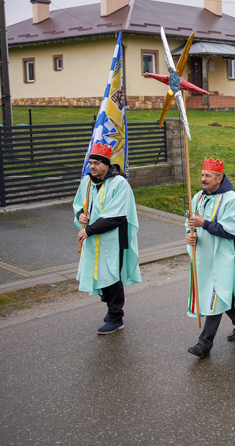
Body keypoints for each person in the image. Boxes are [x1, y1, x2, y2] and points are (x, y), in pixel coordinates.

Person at [185, 158, 235, 358]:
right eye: (202, 175)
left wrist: (204, 223)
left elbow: (231, 231)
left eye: (208, 176)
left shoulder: (232, 200)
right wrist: (190, 236)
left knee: (216, 295)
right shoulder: (197, 197)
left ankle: (204, 344)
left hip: (224, 257)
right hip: (204, 256)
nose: (203, 179)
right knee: (221, 293)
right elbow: (189, 223)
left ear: (219, 178)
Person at [73, 143, 141, 334]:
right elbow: (79, 203)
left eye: (95, 163)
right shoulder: (87, 182)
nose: (91, 167)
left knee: (111, 276)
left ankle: (116, 316)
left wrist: (89, 230)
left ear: (105, 164)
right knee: (98, 274)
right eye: (90, 163)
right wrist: (80, 215)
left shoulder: (119, 184)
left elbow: (117, 216)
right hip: (94, 238)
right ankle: (110, 305)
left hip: (113, 238)